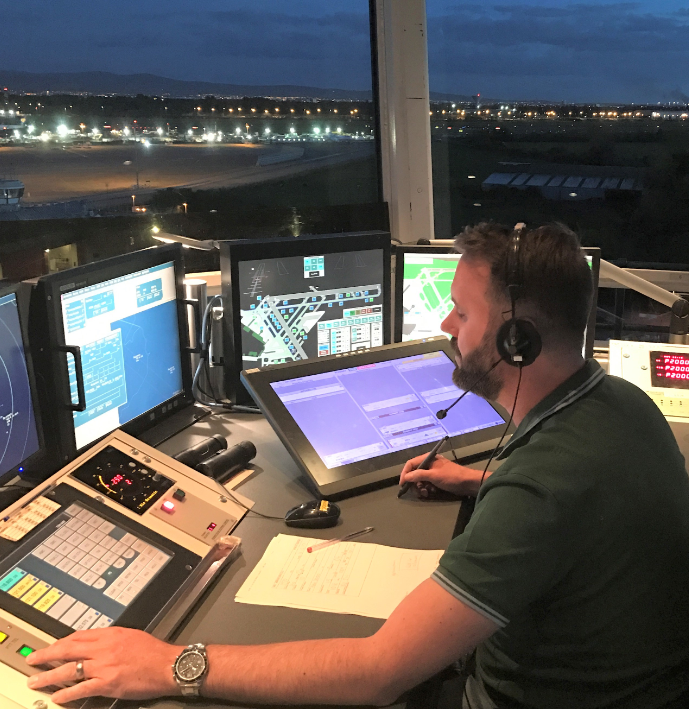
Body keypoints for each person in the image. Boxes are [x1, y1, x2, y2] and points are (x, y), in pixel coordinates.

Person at [26, 222, 689, 708]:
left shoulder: (543, 485)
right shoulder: (619, 407)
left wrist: (172, 663)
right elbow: (589, 507)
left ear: (517, 339)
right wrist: (477, 479)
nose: (445, 321)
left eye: (462, 311)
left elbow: (378, 671)